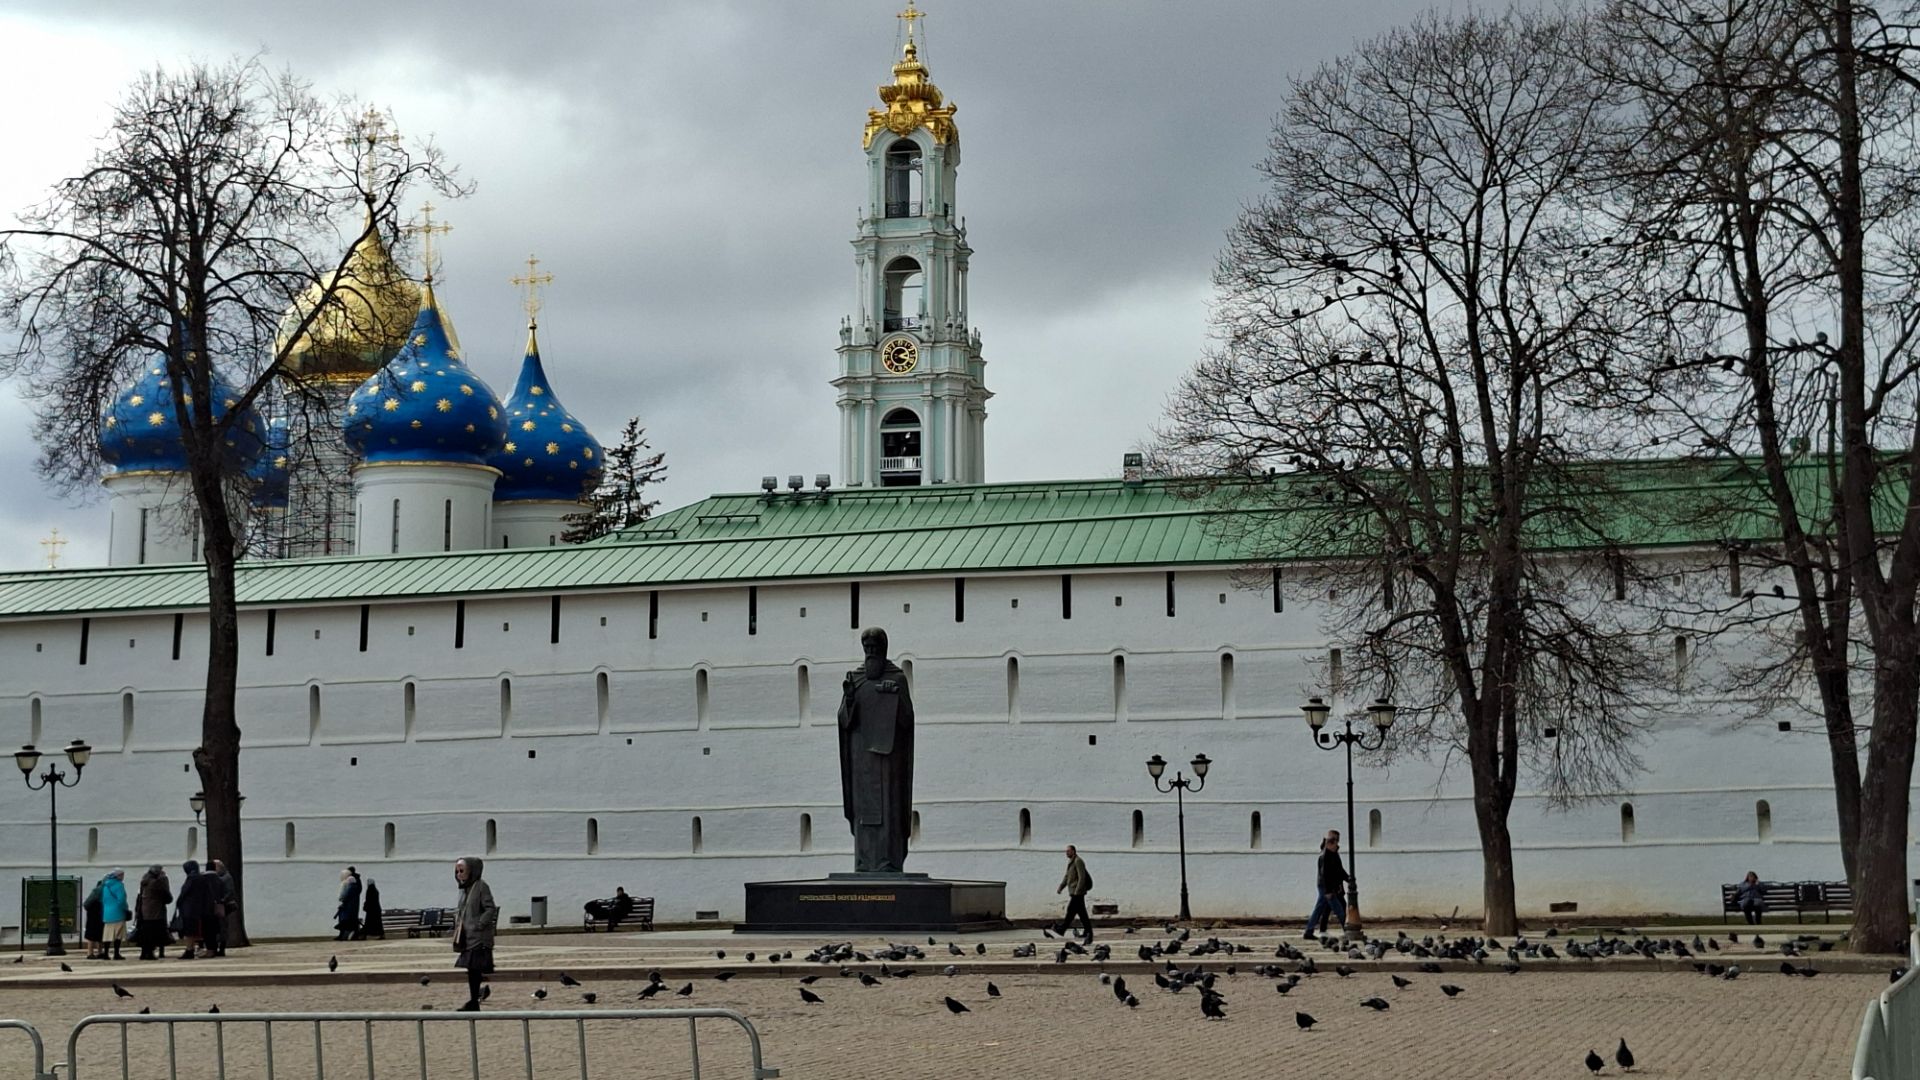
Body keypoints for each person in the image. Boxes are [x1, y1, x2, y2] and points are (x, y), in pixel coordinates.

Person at [452, 857, 498, 1011]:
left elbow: (490, 908)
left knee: (475, 969)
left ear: (471, 871)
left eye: (462, 871)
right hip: (468, 936)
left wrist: (479, 924)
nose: (459, 874)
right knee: (471, 970)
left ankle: (474, 1001)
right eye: (457, 871)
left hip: (479, 937)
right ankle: (473, 1001)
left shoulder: (481, 886)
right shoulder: (464, 889)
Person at [1305, 830, 1350, 938]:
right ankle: (1347, 930)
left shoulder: (1329, 854)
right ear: (1330, 843)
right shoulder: (1327, 856)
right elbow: (1326, 874)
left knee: (1320, 908)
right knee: (1339, 909)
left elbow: (1338, 870)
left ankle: (1309, 930)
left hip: (1326, 886)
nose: (1337, 845)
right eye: (1335, 842)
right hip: (1327, 887)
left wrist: (1347, 878)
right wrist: (1329, 890)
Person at [174, 860, 215, 960]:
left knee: (189, 931)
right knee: (194, 930)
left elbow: (184, 892)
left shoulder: (192, 878)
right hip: (199, 908)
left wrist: (178, 902)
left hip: (190, 909)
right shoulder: (202, 878)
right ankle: (191, 949)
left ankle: (189, 950)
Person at [1054, 844, 1094, 942]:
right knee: (1082, 913)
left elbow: (1081, 877)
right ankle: (1088, 932)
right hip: (1073, 891)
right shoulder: (1071, 862)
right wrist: (1061, 887)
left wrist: (1077, 891)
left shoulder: (1078, 861)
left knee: (1071, 910)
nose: (1066, 853)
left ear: (1073, 851)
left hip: (1078, 892)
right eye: (1066, 851)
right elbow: (1067, 876)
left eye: (1068, 851)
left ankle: (1062, 929)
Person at [134, 865, 171, 961]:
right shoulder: (157, 882)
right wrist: (164, 879)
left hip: (144, 911)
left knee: (145, 932)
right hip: (156, 911)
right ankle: (150, 953)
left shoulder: (145, 881)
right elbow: (167, 897)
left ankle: (144, 952)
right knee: (154, 933)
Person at [100, 868, 130, 961]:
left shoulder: (105, 885)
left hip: (107, 913)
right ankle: (116, 953)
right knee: (118, 935)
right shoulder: (119, 885)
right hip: (118, 913)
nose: (123, 877)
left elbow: (103, 899)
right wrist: (126, 908)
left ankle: (106, 953)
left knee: (107, 935)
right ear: (118, 876)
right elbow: (121, 900)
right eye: (122, 875)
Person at [209, 860, 236, 956]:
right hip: (219, 905)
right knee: (218, 927)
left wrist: (222, 900)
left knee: (222, 926)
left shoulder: (226, 877)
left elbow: (229, 891)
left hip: (223, 906)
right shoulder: (219, 877)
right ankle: (217, 946)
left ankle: (222, 947)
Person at [334, 868, 362, 941]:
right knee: (348, 921)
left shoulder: (348, 886)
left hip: (347, 906)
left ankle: (344, 935)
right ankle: (344, 934)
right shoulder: (355, 885)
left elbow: (344, 895)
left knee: (345, 920)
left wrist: (342, 900)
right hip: (351, 907)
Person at [81, 877, 105, 959]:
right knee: (98, 934)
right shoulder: (100, 892)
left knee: (94, 934)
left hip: (93, 915)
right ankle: (95, 952)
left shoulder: (96, 892)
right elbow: (86, 904)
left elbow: (86, 904)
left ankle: (92, 952)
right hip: (97, 915)